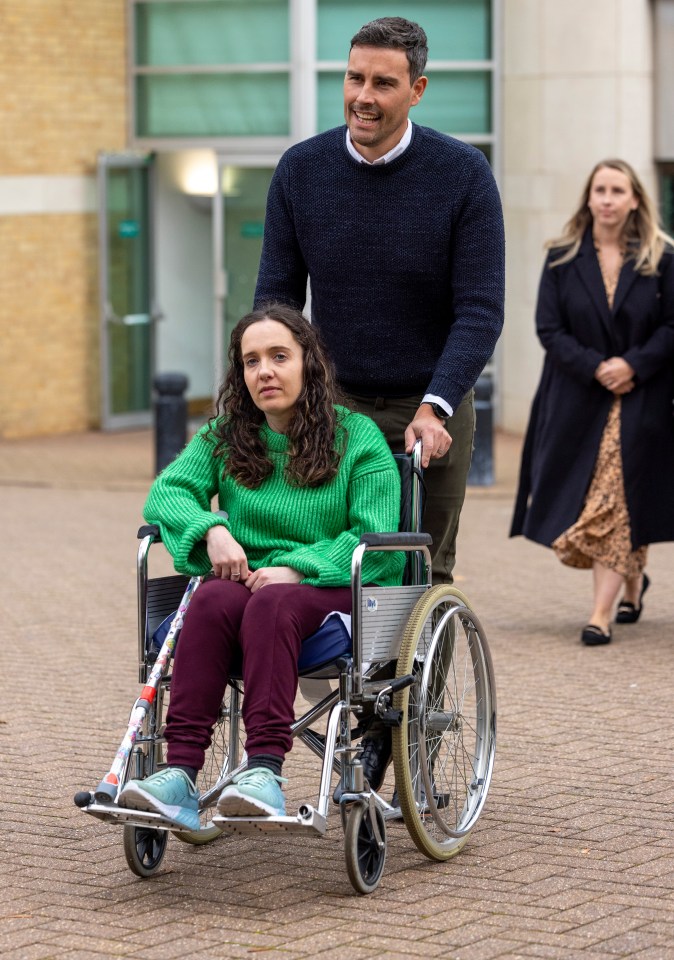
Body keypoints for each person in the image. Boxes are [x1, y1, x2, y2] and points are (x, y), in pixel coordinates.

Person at [254, 16, 505, 789]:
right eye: (355, 78)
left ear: (416, 90)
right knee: (325, 560)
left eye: (383, 83)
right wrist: (273, 392)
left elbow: (480, 309)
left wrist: (437, 402)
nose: (363, 96)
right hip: (332, 407)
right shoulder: (301, 172)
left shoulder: (461, 176)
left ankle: (398, 744)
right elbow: (274, 297)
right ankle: (341, 719)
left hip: (428, 406)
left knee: (415, 576)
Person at [118, 305, 404, 829]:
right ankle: (179, 773)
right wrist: (213, 528)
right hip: (251, 590)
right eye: (251, 361)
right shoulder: (228, 436)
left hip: (337, 589)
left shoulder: (357, 437)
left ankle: (264, 770)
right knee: (209, 596)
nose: (264, 371)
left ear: (308, 364)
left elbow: (375, 539)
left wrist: (297, 567)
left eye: (278, 356)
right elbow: (168, 491)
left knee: (272, 600)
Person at [511, 159, 674, 645]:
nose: (606, 198)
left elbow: (671, 326)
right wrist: (597, 366)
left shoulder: (660, 257)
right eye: (599, 189)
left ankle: (599, 615)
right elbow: (548, 328)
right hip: (578, 399)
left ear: (635, 200)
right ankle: (630, 581)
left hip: (643, 398)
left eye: (616, 190)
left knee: (618, 493)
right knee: (607, 499)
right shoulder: (563, 256)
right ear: (588, 198)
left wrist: (633, 364)